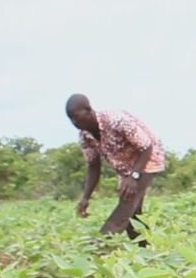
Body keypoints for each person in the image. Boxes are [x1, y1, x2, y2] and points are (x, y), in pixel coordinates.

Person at [67, 94, 166, 244]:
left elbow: (146, 147)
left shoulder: (117, 121)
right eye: (70, 119)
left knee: (125, 206)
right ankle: (147, 253)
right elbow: (93, 166)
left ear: (88, 110)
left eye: (76, 116)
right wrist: (85, 197)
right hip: (125, 168)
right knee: (133, 217)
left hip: (147, 157)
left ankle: (98, 248)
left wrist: (134, 176)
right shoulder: (85, 136)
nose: (74, 122)